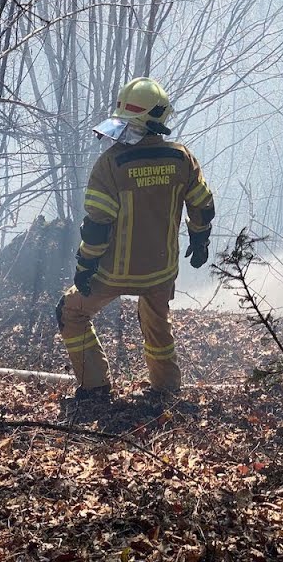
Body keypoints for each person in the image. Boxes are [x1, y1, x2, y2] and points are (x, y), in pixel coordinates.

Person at [55, 77, 216, 401]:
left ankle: (95, 387)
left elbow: (97, 226)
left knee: (70, 312)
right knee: (157, 324)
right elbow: (203, 206)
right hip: (161, 271)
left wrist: (86, 266)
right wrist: (200, 242)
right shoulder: (182, 159)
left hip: (114, 273)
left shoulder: (111, 164)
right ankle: (166, 389)